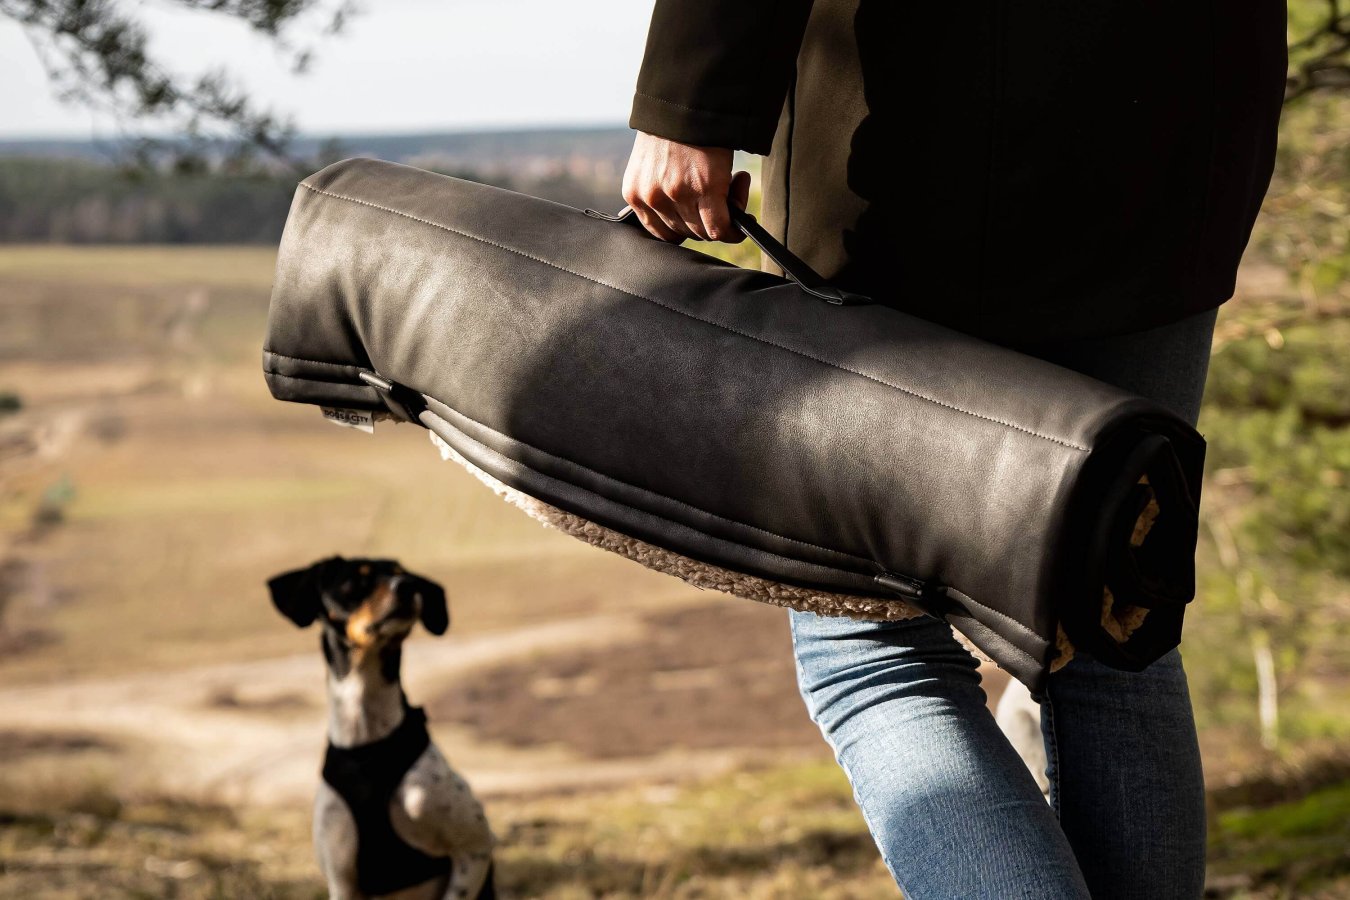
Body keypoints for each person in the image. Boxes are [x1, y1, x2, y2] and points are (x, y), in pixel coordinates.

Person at [622, 2, 1288, 897]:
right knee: (1111, 623)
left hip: (916, 139)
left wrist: (690, 101)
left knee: (869, 644)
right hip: (1171, 133)